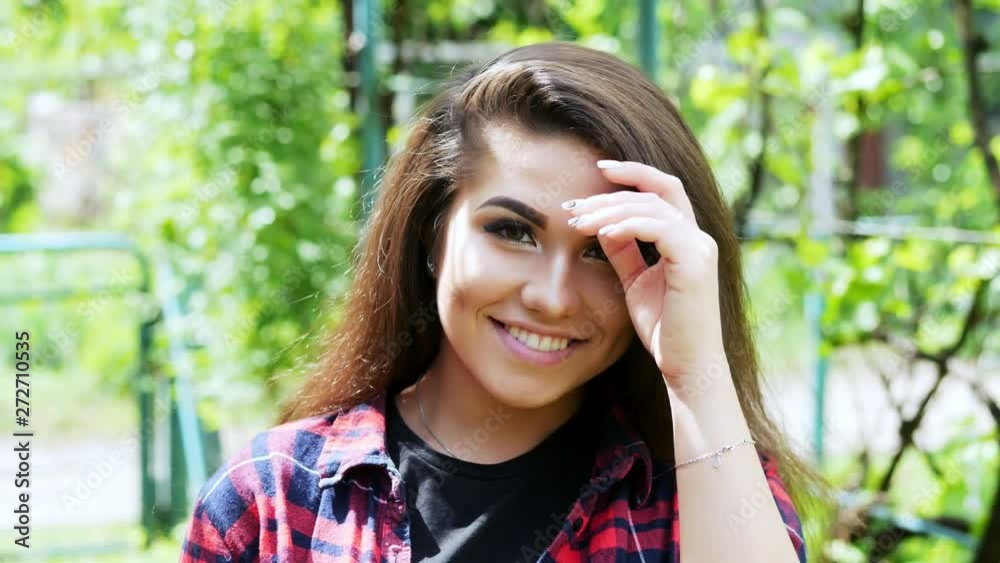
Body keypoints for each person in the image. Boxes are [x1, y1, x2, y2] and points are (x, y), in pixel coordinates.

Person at [179, 41, 822, 563]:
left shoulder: (701, 497)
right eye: (512, 232)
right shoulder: (272, 501)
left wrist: (694, 372)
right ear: (432, 232)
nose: (551, 297)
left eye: (604, 252)